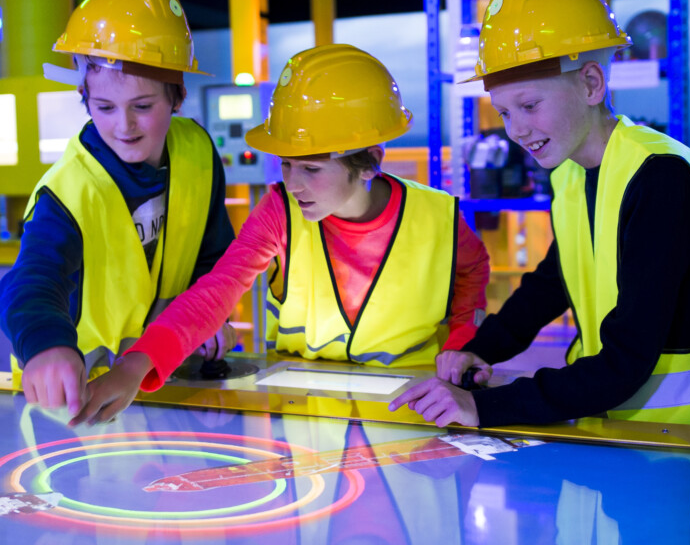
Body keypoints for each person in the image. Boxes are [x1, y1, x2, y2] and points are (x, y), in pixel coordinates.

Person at [391, 0, 690, 435]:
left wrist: (483, 407)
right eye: (504, 112)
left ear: (591, 84)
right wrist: (482, 349)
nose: (516, 130)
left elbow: (625, 361)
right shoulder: (571, 173)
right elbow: (554, 280)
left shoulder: (664, 180)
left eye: (529, 105)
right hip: (636, 430)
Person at [86, 45, 491, 425]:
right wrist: (136, 364)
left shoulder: (437, 216)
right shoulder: (280, 211)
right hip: (305, 407)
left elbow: (472, 271)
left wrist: (462, 339)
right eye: (287, 164)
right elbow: (217, 290)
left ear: (370, 162)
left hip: (412, 405)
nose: (294, 184)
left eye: (311, 169)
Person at [0, 0, 235, 423]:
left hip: (164, 372)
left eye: (142, 106)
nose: (124, 126)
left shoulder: (199, 151)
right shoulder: (68, 189)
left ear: (177, 96)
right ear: (85, 99)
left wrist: (209, 316)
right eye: (105, 107)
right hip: (76, 394)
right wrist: (46, 344)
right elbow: (30, 280)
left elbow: (214, 258)